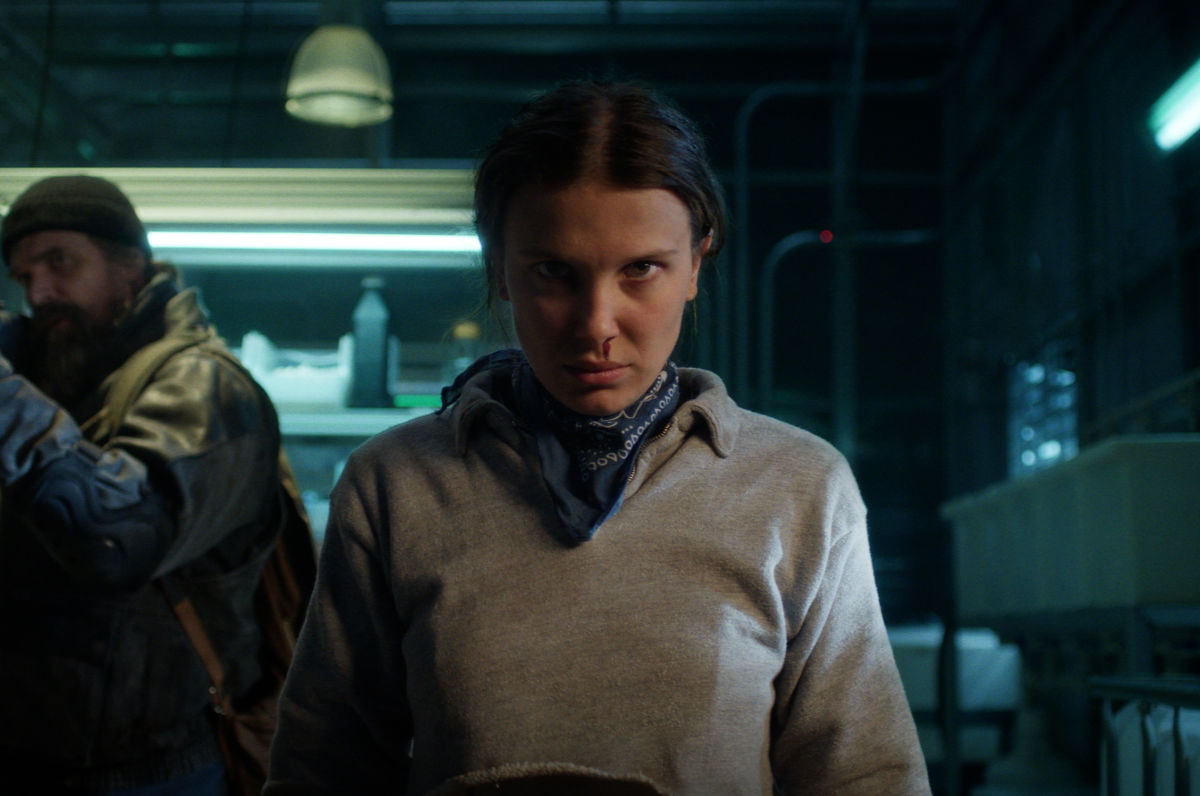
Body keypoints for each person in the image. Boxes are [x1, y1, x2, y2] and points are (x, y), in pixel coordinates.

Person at [267, 80, 930, 794]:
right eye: (554, 272)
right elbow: (322, 773)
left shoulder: (798, 489)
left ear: (695, 265)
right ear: (499, 269)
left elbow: (865, 777)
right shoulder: (396, 485)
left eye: (641, 269)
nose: (596, 325)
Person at [0, 174, 290, 793]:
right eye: (24, 276)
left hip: (158, 772)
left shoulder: (206, 387)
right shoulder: (64, 377)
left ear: (130, 266)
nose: (39, 292)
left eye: (60, 262)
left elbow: (118, 537)